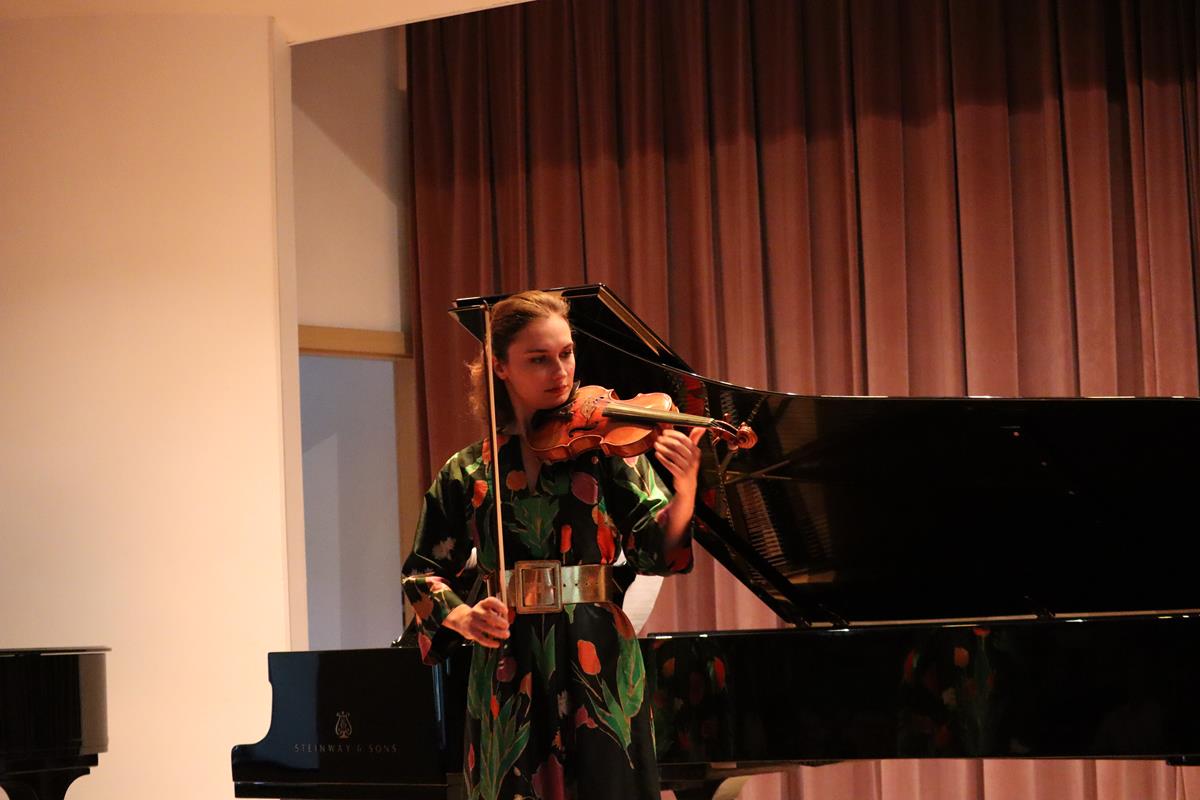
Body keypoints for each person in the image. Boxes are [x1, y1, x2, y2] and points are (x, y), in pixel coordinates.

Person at [401, 289, 703, 800]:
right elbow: (422, 570)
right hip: (508, 658)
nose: (560, 372)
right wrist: (463, 616)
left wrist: (687, 492)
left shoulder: (607, 453)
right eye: (538, 359)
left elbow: (656, 551)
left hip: (598, 653)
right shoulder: (468, 470)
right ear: (500, 367)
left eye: (566, 354)